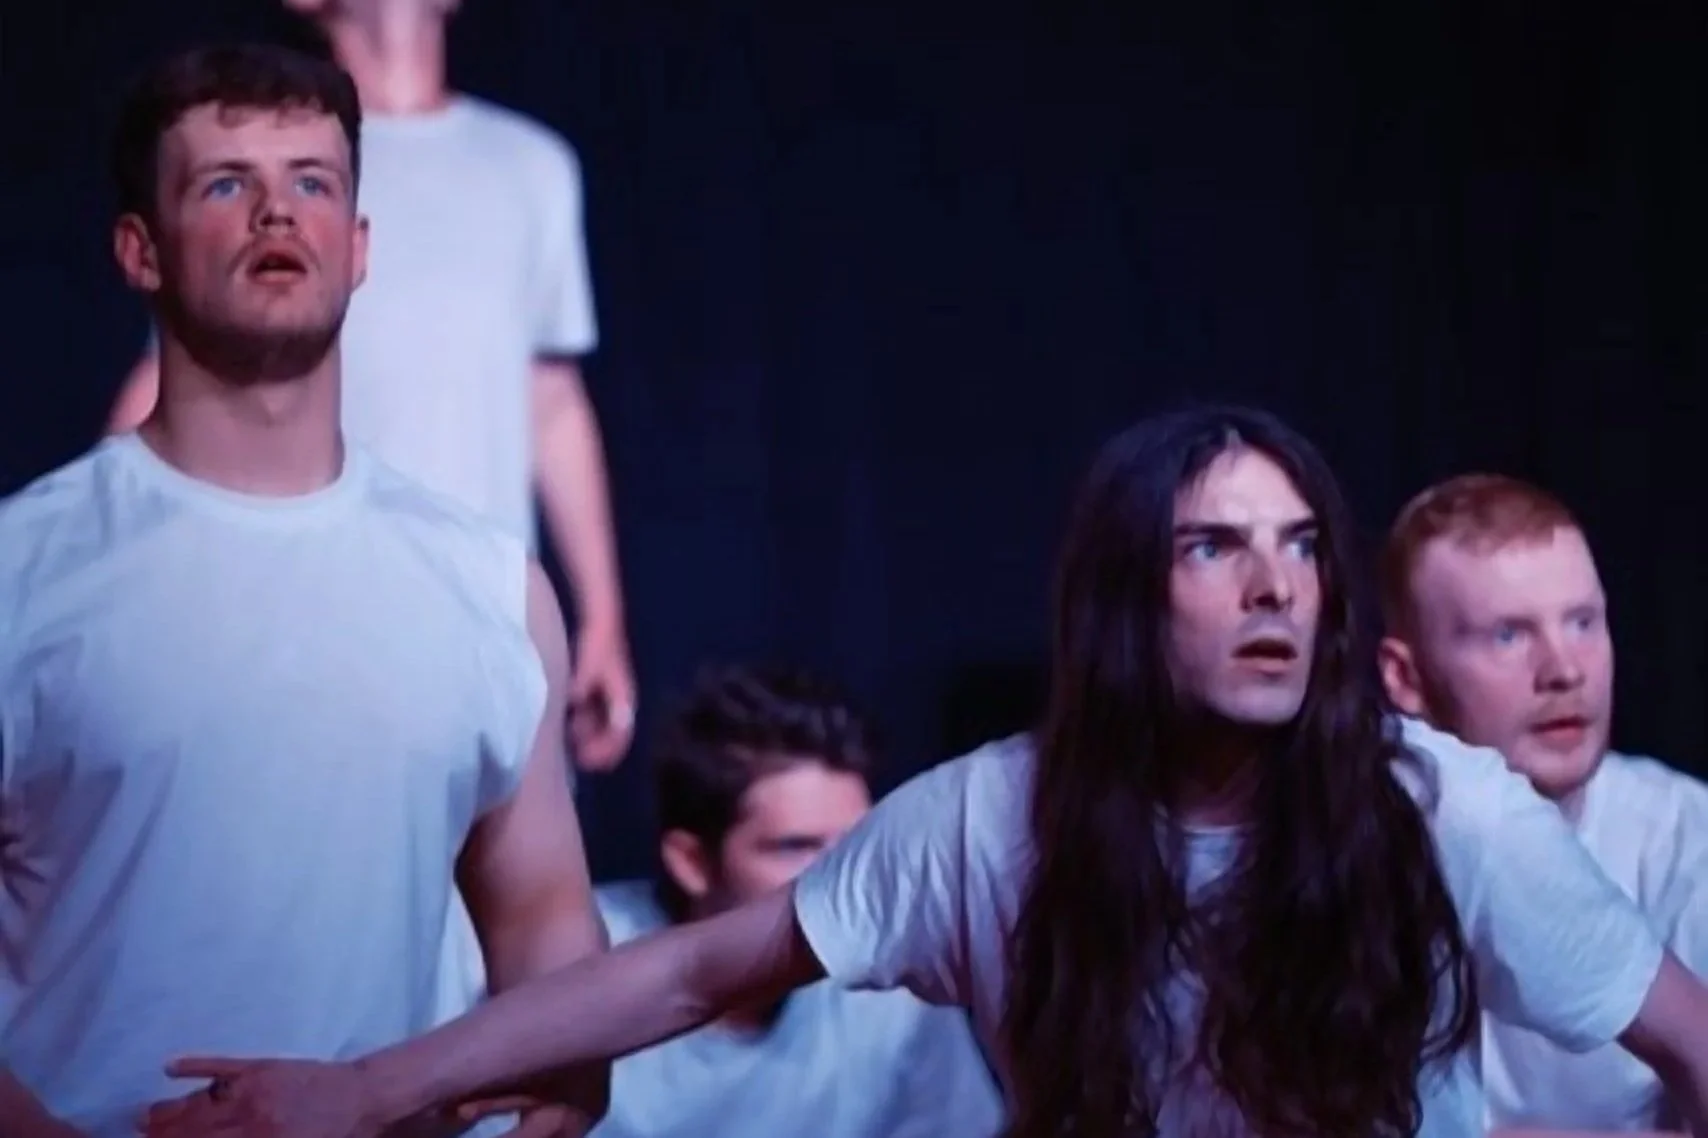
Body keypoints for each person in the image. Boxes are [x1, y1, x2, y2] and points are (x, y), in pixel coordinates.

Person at [138, 406, 1708, 1138]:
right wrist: (367, 1086)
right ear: (1119, 595)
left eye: (1299, 547)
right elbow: (689, 971)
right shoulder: (992, 819)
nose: (1275, 587)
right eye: (1215, 547)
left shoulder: (1445, 813)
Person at [0, 45, 607, 1138]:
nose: (276, 214)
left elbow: (548, 926)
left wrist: (565, 1094)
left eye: (312, 183)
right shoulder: (23, 572)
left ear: (359, 247)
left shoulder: (487, 586)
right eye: (226, 183)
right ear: (141, 249)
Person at [107, 0, 637, 773]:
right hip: (295, 612)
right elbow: (169, 375)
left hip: (479, 614)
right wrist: (101, 564)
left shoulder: (530, 165)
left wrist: (602, 618)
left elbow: (551, 400)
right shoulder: (275, 159)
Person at [1378, 472, 1708, 1133]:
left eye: (1583, 622)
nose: (1565, 669)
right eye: (1508, 635)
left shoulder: (1688, 841)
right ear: (1405, 678)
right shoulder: (1346, 849)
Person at [591, 666, 1004, 1138]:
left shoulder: (894, 992)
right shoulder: (576, 969)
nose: (845, 877)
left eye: (858, 844)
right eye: (797, 847)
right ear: (692, 862)